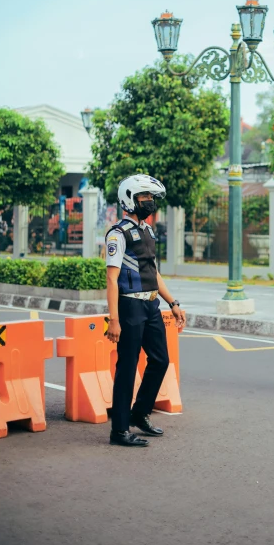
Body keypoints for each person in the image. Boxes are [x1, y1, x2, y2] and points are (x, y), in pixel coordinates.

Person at [105, 174, 186, 447]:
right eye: (144, 197)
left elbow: (154, 273)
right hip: (129, 306)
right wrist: (114, 319)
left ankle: (139, 413)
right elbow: (111, 278)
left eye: (151, 198)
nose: (149, 202)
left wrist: (173, 303)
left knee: (160, 360)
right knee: (127, 367)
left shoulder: (148, 231)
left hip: (151, 305)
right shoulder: (119, 234)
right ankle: (119, 430)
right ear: (130, 199)